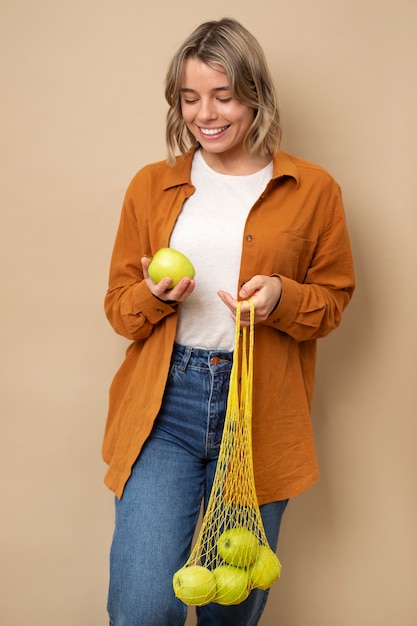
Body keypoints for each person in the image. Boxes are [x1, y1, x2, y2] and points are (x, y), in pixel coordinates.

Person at [103, 17, 355, 626]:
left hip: (260, 412)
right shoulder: (151, 186)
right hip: (165, 408)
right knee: (141, 608)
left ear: (255, 94)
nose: (205, 113)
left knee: (230, 609)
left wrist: (281, 298)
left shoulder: (312, 189)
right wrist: (156, 297)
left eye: (223, 95)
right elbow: (118, 307)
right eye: (190, 98)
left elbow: (333, 302)